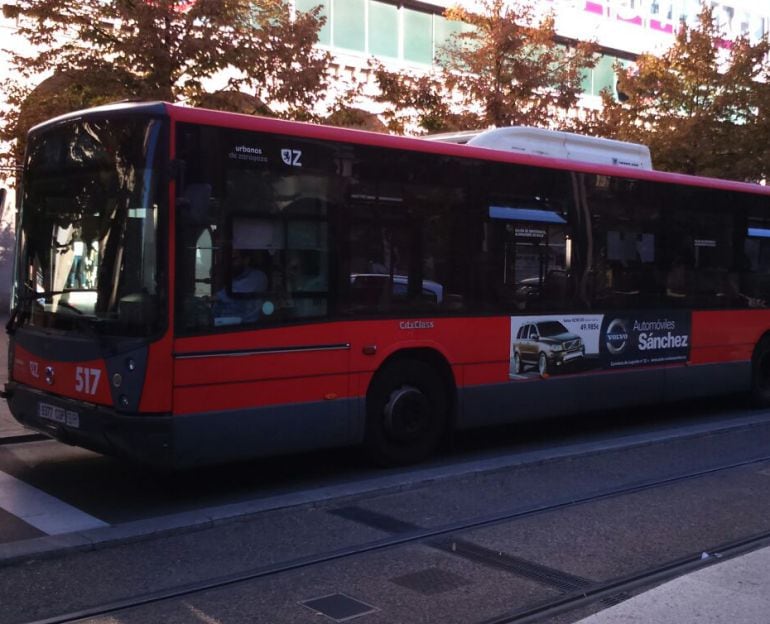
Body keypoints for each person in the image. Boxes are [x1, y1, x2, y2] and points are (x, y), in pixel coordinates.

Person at [213, 248, 268, 322]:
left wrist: (208, 298)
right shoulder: (232, 276)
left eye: (234, 259)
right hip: (222, 323)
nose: (230, 263)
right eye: (227, 259)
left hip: (245, 326)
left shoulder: (258, 276)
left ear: (246, 260)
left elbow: (229, 294)